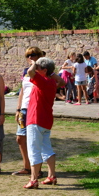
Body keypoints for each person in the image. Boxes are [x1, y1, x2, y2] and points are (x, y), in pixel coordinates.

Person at [23, 56, 65, 189]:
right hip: (45, 121)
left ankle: (33, 179)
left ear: (44, 70)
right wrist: (47, 70)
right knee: (47, 149)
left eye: (39, 68)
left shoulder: (42, 80)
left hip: (35, 119)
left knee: (33, 150)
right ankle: (51, 176)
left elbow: (30, 72)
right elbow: (61, 81)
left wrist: (34, 64)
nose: (36, 69)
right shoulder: (52, 82)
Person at [12, 46, 44, 176]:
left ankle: (37, 169)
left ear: (39, 56)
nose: (30, 58)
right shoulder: (26, 71)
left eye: (33, 55)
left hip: (36, 108)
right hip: (24, 109)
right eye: (28, 56)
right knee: (20, 138)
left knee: (35, 139)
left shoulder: (42, 70)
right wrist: (18, 109)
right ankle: (27, 167)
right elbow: (22, 91)